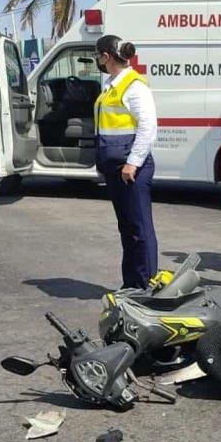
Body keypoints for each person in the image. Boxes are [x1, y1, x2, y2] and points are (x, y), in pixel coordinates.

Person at [94, 35, 158, 288]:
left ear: (107, 57)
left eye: (98, 56)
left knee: (139, 229)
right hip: (116, 168)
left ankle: (146, 284)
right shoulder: (111, 85)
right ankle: (131, 284)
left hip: (130, 169)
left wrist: (133, 162)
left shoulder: (134, 86)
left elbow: (148, 127)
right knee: (128, 229)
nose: (98, 60)